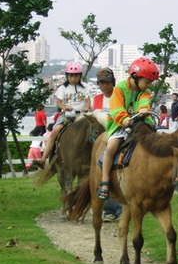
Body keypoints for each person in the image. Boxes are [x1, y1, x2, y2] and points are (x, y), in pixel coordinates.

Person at [98, 57, 159, 200]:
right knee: (111, 148)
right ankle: (105, 181)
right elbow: (116, 107)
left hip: (139, 123)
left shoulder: (144, 91)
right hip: (120, 125)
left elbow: (144, 101)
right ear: (135, 77)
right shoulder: (119, 89)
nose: (148, 85)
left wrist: (144, 108)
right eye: (147, 81)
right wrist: (123, 118)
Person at [37, 62, 90, 167]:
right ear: (67, 76)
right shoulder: (63, 88)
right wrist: (64, 107)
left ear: (80, 76)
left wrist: (86, 107)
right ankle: (44, 159)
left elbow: (88, 100)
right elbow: (59, 102)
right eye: (71, 75)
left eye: (76, 75)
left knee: (95, 130)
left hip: (82, 117)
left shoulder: (85, 87)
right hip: (68, 116)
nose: (73, 78)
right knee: (54, 131)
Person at [91, 67, 122, 220]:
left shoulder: (119, 94)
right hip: (100, 135)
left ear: (112, 83)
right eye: (100, 83)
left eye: (106, 83)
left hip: (115, 131)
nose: (103, 86)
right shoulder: (97, 99)